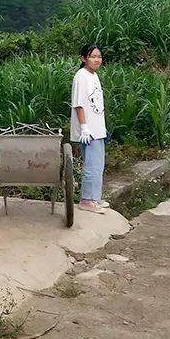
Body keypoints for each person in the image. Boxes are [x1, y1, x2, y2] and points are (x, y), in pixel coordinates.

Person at [71, 44, 108, 214]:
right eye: (92, 56)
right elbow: (79, 104)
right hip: (88, 131)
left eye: (99, 56)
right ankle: (86, 200)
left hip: (98, 129)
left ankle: (96, 198)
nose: (96, 59)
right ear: (84, 58)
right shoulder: (81, 76)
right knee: (91, 164)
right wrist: (84, 128)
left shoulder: (94, 75)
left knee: (98, 164)